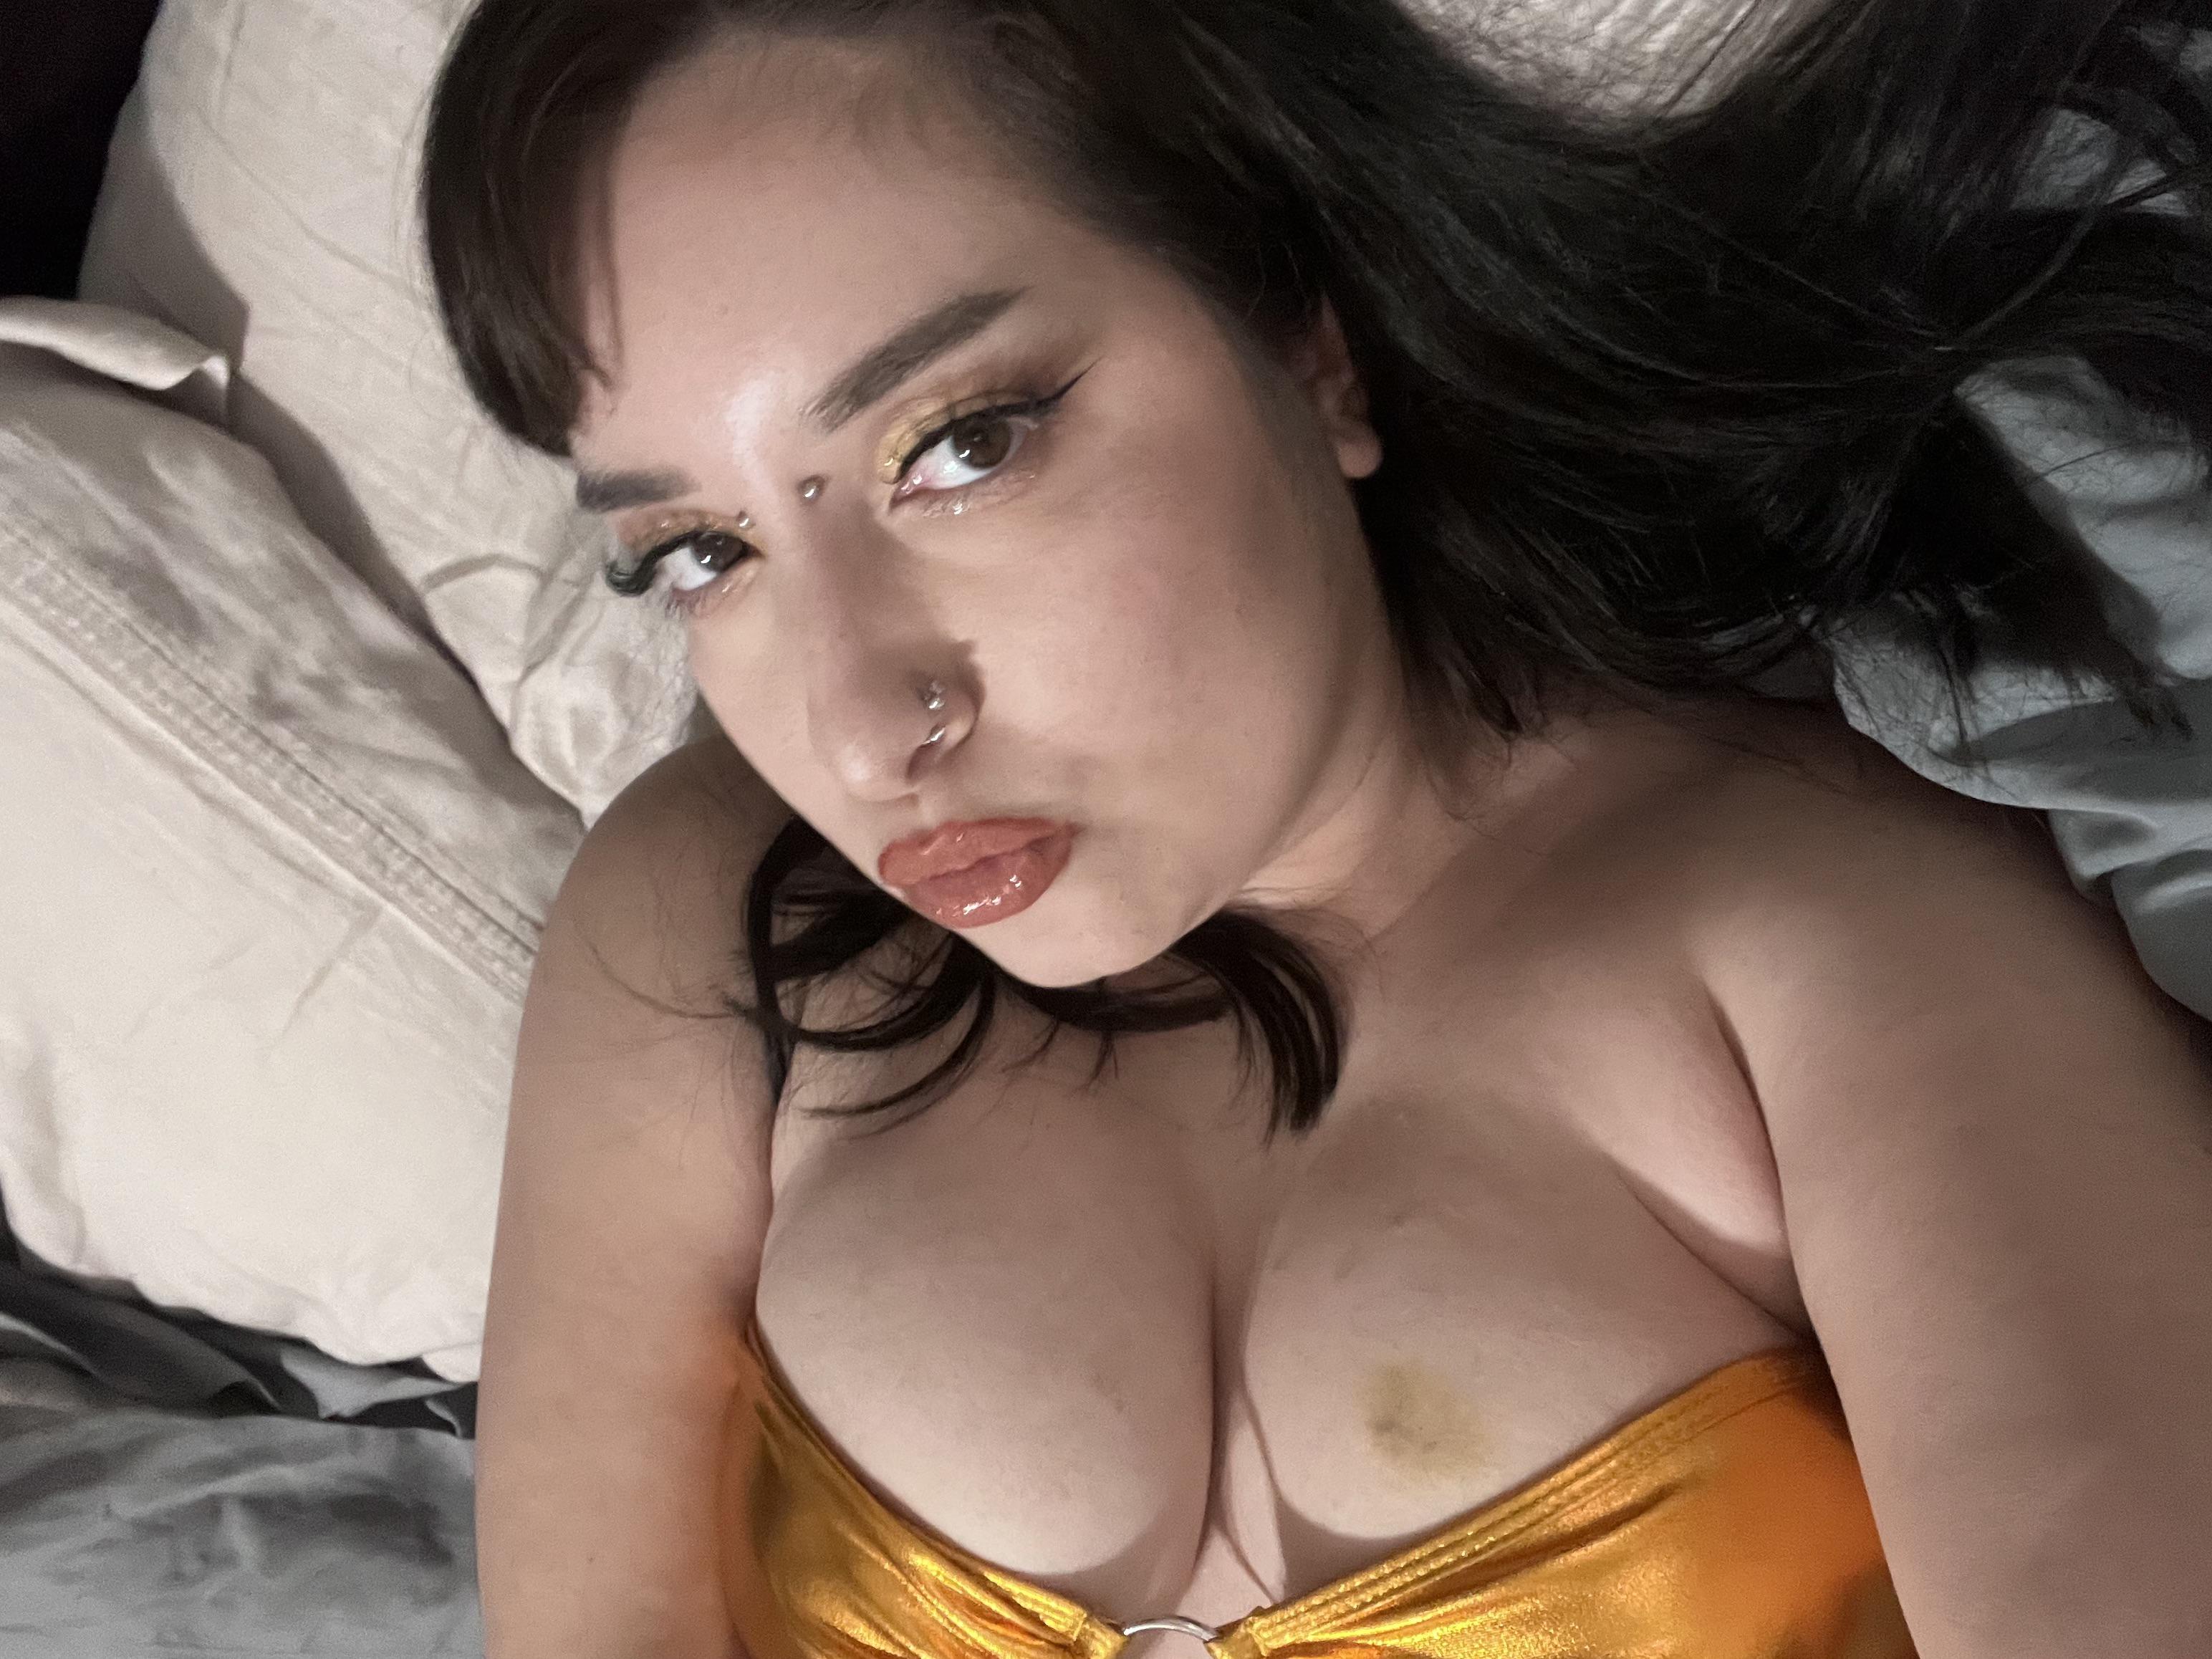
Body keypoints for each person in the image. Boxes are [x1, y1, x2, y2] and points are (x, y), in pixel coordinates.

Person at [418, 1, 2212, 1655]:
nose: (865, 730)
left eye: (961, 446)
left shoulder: (1830, 928)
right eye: (700, 552)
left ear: (1308, 345)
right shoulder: (705, 915)